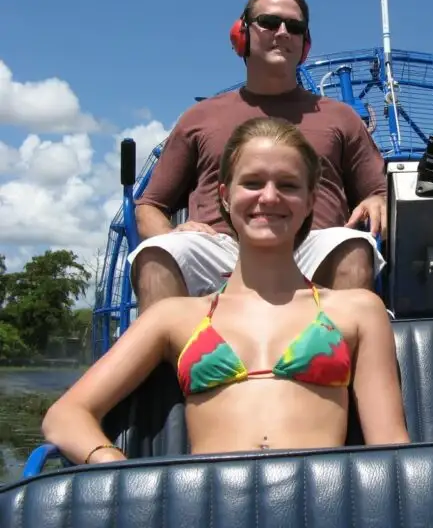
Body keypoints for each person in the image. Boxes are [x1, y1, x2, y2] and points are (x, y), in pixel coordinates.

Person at [42, 118, 410, 463]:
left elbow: (390, 446)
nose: (269, 197)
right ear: (225, 196)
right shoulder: (174, 318)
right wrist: (112, 465)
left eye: (288, 185)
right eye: (252, 183)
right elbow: (66, 415)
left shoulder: (359, 311)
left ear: (311, 199)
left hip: (317, 503)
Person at [129, 0, 388, 311]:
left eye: (294, 27)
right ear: (242, 34)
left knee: (352, 246)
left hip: (311, 244)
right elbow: (148, 205)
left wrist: (377, 201)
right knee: (158, 256)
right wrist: (170, 233)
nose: (282, 32)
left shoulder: (342, 118)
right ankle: (174, 359)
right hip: (219, 249)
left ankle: (333, 358)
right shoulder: (199, 118)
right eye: (269, 22)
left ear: (304, 44)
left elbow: (380, 193)